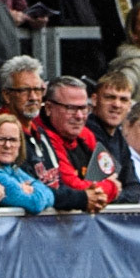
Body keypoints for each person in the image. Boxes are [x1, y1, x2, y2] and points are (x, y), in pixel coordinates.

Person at [40, 73, 119, 207]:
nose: (79, 116)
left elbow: (110, 172)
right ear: (48, 108)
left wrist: (107, 184)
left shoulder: (85, 134)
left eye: (84, 108)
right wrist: (112, 188)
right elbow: (76, 188)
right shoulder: (42, 137)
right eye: (70, 108)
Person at [85, 68, 134, 182]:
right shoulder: (86, 133)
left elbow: (135, 185)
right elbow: (100, 186)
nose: (117, 104)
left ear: (129, 106)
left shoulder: (119, 137)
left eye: (123, 99)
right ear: (94, 100)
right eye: (110, 97)